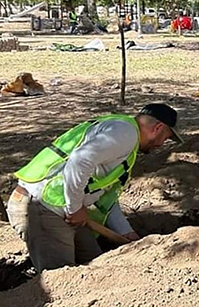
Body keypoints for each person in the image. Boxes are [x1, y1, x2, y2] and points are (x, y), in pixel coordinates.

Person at [6, 103, 183, 272]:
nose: (160, 145)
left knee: (96, 268)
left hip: (65, 210)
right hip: (41, 207)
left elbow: (104, 196)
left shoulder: (121, 132)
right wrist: (74, 208)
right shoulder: (125, 134)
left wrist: (126, 232)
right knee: (61, 278)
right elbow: (80, 161)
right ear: (157, 128)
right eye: (165, 138)